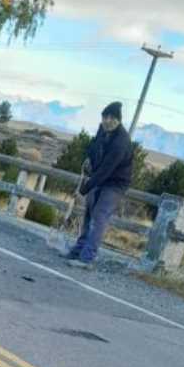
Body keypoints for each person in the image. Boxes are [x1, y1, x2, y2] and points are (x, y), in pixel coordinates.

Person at [65, 101, 134, 267]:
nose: (108, 121)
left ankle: (87, 258)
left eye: (112, 118)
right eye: (105, 117)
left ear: (119, 120)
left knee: (99, 216)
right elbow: (94, 146)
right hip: (99, 177)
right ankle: (78, 250)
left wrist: (85, 188)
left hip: (115, 183)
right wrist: (89, 158)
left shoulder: (121, 142)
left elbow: (106, 170)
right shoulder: (102, 129)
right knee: (88, 213)